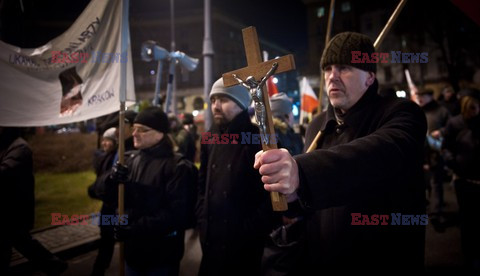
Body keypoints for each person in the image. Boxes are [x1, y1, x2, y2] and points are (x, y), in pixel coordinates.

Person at [254, 32, 427, 273]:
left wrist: (301, 171)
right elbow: (308, 203)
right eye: (327, 69)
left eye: (344, 68)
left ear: (369, 77)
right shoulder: (317, 125)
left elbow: (378, 155)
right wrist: (290, 194)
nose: (332, 77)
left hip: (382, 258)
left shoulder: (402, 114)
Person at [98, 107, 197, 276]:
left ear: (160, 133)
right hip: (131, 254)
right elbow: (100, 192)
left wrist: (134, 229)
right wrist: (111, 180)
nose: (135, 133)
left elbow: (177, 215)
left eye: (142, 130)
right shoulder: (129, 160)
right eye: (134, 128)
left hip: (161, 257)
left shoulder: (177, 167)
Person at [196, 78, 277, 276]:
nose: (215, 106)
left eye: (223, 99)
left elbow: (272, 195)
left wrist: (248, 231)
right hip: (211, 240)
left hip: (243, 247)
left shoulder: (259, 138)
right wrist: (202, 216)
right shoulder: (209, 137)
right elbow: (202, 182)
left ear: (241, 103)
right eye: (213, 100)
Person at [0, 127, 68, 275]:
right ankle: (54, 265)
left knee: (19, 242)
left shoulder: (20, 147)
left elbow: (5, 173)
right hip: (8, 211)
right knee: (21, 242)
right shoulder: (7, 146)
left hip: (14, 210)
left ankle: (53, 265)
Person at [442, 95, 480, 273]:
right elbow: (446, 147)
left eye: (477, 107)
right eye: (471, 108)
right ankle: (470, 256)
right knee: (468, 219)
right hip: (464, 180)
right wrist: (454, 162)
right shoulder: (455, 124)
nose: (475, 111)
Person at [416, 88, 450, 229]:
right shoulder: (417, 110)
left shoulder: (442, 111)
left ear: (431, 96)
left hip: (435, 152)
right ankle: (426, 207)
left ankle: (436, 212)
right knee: (422, 182)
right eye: (419, 96)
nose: (420, 98)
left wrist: (441, 132)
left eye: (423, 95)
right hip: (420, 152)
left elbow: (451, 127)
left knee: (436, 182)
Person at [88, 127, 118, 276]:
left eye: (109, 140)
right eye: (104, 140)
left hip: (113, 206)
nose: (105, 143)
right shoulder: (104, 157)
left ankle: (99, 269)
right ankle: (100, 268)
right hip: (107, 205)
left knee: (107, 237)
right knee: (106, 235)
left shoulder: (117, 158)